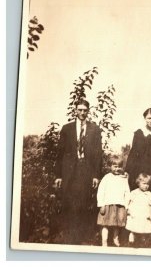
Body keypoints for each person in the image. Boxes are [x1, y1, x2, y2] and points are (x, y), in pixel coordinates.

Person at [54, 99, 102, 244]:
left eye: (84, 110)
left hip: (86, 170)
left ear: (88, 111)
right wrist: (58, 176)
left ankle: (81, 236)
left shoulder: (94, 129)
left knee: (83, 202)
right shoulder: (67, 128)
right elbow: (60, 153)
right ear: (75, 110)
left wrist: (96, 175)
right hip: (69, 171)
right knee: (68, 202)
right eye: (79, 110)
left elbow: (98, 154)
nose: (82, 113)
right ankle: (69, 234)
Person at [125, 108, 151, 244]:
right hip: (139, 173)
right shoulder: (138, 134)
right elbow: (132, 154)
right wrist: (128, 171)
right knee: (137, 201)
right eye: (149, 118)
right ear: (145, 118)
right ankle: (133, 231)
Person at [97, 155, 130, 247]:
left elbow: (127, 192)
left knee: (117, 224)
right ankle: (104, 241)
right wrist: (101, 204)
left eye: (119, 166)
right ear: (110, 166)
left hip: (119, 205)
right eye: (115, 166)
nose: (117, 169)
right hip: (107, 204)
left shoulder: (123, 179)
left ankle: (115, 238)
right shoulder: (106, 178)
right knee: (105, 224)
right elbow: (101, 191)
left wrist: (126, 206)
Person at [126, 173, 151, 248]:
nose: (146, 186)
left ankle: (142, 238)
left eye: (148, 184)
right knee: (134, 224)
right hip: (135, 212)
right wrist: (128, 210)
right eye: (144, 183)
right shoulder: (134, 193)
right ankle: (132, 234)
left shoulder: (150, 194)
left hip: (144, 213)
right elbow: (129, 201)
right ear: (138, 183)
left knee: (144, 226)